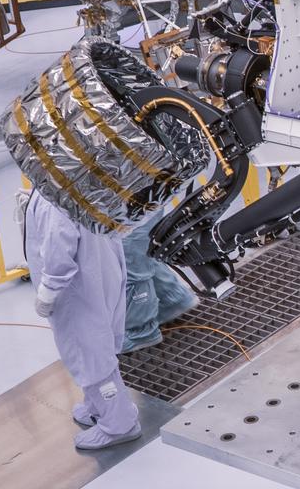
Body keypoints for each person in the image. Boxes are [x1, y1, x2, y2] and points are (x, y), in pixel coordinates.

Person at [25, 190, 142, 450]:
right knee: (100, 345)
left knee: (89, 353)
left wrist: (47, 293)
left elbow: (59, 251)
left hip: (77, 291)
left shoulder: (52, 198)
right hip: (102, 272)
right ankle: (97, 405)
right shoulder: (74, 178)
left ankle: (119, 423)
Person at [122, 208, 198, 353]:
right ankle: (172, 297)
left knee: (128, 251)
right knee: (137, 245)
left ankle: (139, 332)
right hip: (138, 195)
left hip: (131, 195)